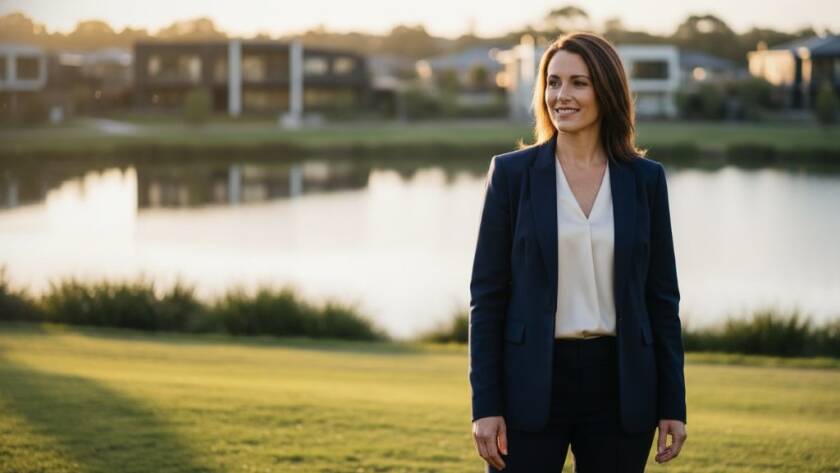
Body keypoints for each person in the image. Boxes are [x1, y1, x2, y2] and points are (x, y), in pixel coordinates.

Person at [468, 32, 687, 472]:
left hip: (622, 385)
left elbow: (662, 300)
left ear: (606, 90)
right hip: (528, 384)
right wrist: (485, 405)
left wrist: (673, 403)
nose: (561, 96)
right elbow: (487, 298)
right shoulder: (511, 175)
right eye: (552, 82)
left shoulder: (645, 180)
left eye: (578, 83)